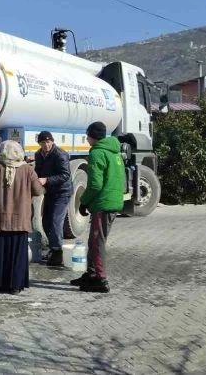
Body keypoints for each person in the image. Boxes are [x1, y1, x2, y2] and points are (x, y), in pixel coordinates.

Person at [0, 140, 44, 294]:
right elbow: (38, 190)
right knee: (16, 255)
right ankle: (14, 286)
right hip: (19, 221)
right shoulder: (28, 170)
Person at [75, 121, 125, 293]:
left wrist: (84, 202)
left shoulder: (97, 153)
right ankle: (91, 274)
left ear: (92, 136)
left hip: (103, 203)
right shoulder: (115, 153)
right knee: (94, 240)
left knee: (97, 242)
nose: (87, 138)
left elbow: (95, 184)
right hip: (113, 201)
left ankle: (100, 279)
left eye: (87, 135)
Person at [34, 131, 73, 266]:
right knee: (46, 222)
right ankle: (53, 248)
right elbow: (38, 171)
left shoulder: (60, 154)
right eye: (43, 142)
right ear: (39, 143)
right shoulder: (38, 154)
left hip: (62, 192)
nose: (46, 145)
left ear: (52, 141)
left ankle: (57, 253)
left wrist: (47, 180)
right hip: (50, 192)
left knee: (56, 221)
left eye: (48, 142)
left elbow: (65, 175)